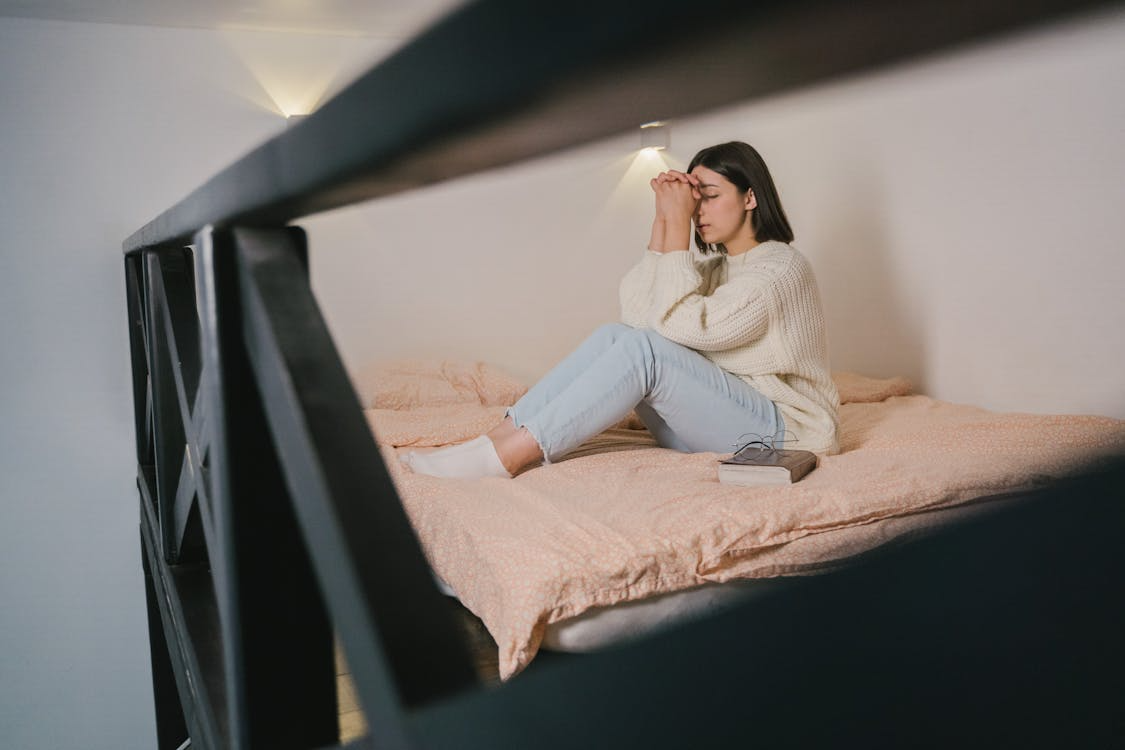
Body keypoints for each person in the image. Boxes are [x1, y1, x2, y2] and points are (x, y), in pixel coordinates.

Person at [403, 141, 839, 480]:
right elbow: (635, 313)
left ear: (749, 198)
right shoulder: (713, 268)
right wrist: (664, 220)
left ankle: (506, 458)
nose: (698, 211)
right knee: (617, 336)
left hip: (780, 435)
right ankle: (496, 439)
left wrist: (678, 231)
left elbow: (684, 327)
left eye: (709, 196)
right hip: (719, 426)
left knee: (643, 351)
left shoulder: (782, 268)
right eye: (694, 201)